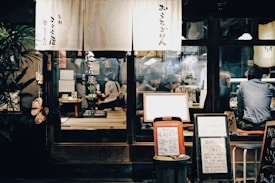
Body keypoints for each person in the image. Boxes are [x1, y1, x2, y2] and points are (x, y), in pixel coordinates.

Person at [237, 64, 275, 130]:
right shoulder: (268, 87)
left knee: (235, 121)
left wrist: (239, 116)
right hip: (265, 124)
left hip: (248, 124)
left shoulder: (243, 85)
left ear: (248, 76)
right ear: (261, 77)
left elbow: (240, 106)